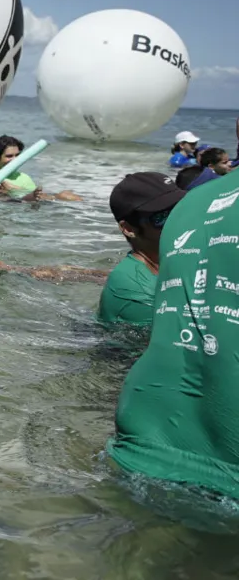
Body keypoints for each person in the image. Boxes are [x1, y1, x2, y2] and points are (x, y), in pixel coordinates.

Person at [108, 169, 239, 501]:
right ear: (129, 228)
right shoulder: (133, 290)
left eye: (175, 210)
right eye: (160, 217)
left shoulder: (192, 218)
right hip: (123, 374)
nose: (172, 223)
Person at [97, 173, 186, 327]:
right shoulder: (136, 291)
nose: (179, 219)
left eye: (181, 208)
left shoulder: (173, 259)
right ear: (129, 229)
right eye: (162, 216)